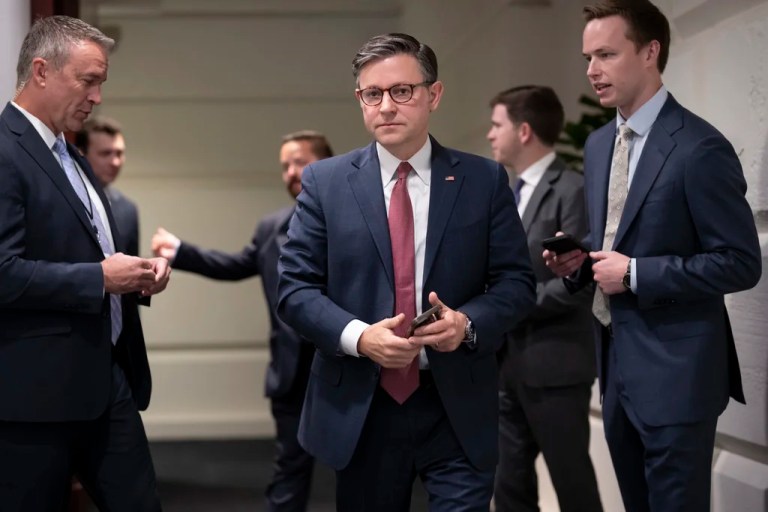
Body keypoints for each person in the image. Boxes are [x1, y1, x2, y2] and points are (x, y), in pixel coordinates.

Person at [277, 33, 535, 512]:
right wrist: (359, 337)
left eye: (402, 91)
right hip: (362, 405)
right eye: (372, 94)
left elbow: (516, 285)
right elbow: (294, 290)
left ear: (433, 95)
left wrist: (467, 324)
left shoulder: (482, 180)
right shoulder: (325, 183)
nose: (386, 106)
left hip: (455, 402)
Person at [544, 1, 762, 511]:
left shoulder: (699, 147)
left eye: (605, 54)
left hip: (678, 374)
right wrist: (582, 265)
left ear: (650, 52)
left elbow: (740, 261)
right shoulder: (599, 145)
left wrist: (637, 273)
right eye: (587, 57)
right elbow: (617, 241)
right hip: (615, 366)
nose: (591, 71)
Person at [0, 15, 171, 511]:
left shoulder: (67, 154)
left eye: (102, 83)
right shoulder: (6, 151)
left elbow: (83, 251)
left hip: (104, 381)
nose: (97, 97)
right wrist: (100, 278)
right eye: (88, 80)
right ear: (41, 71)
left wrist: (135, 277)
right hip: (32, 399)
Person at [151, 130, 334, 511]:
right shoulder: (272, 228)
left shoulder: (354, 223)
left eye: (299, 161)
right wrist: (181, 252)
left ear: (326, 165)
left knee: (359, 470)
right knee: (290, 469)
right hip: (290, 371)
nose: (290, 172)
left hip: (344, 365)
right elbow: (237, 265)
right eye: (285, 165)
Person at [487, 85, 602, 512]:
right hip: (505, 365)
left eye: (497, 124)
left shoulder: (573, 189)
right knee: (509, 487)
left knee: (572, 485)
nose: (490, 134)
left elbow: (582, 278)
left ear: (524, 131)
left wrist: (508, 303)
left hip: (555, 367)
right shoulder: (505, 193)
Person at [75, 116, 140, 256]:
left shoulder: (127, 209)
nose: (115, 162)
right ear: (81, 153)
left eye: (119, 153)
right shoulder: (61, 197)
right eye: (105, 153)